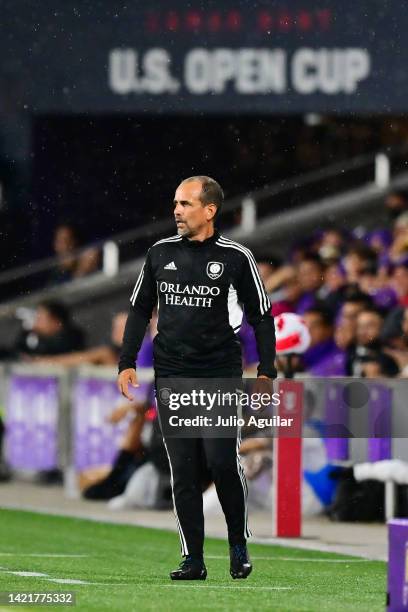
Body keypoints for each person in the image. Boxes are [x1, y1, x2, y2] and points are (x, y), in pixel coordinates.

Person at [118, 176, 276, 581]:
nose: (176, 211)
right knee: (183, 470)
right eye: (175, 203)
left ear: (210, 210)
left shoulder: (237, 257)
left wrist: (266, 371)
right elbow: (139, 311)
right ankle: (193, 559)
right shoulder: (159, 253)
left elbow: (261, 316)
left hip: (218, 375)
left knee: (223, 463)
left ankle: (238, 544)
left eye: (186, 204)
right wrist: (127, 361)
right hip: (172, 375)